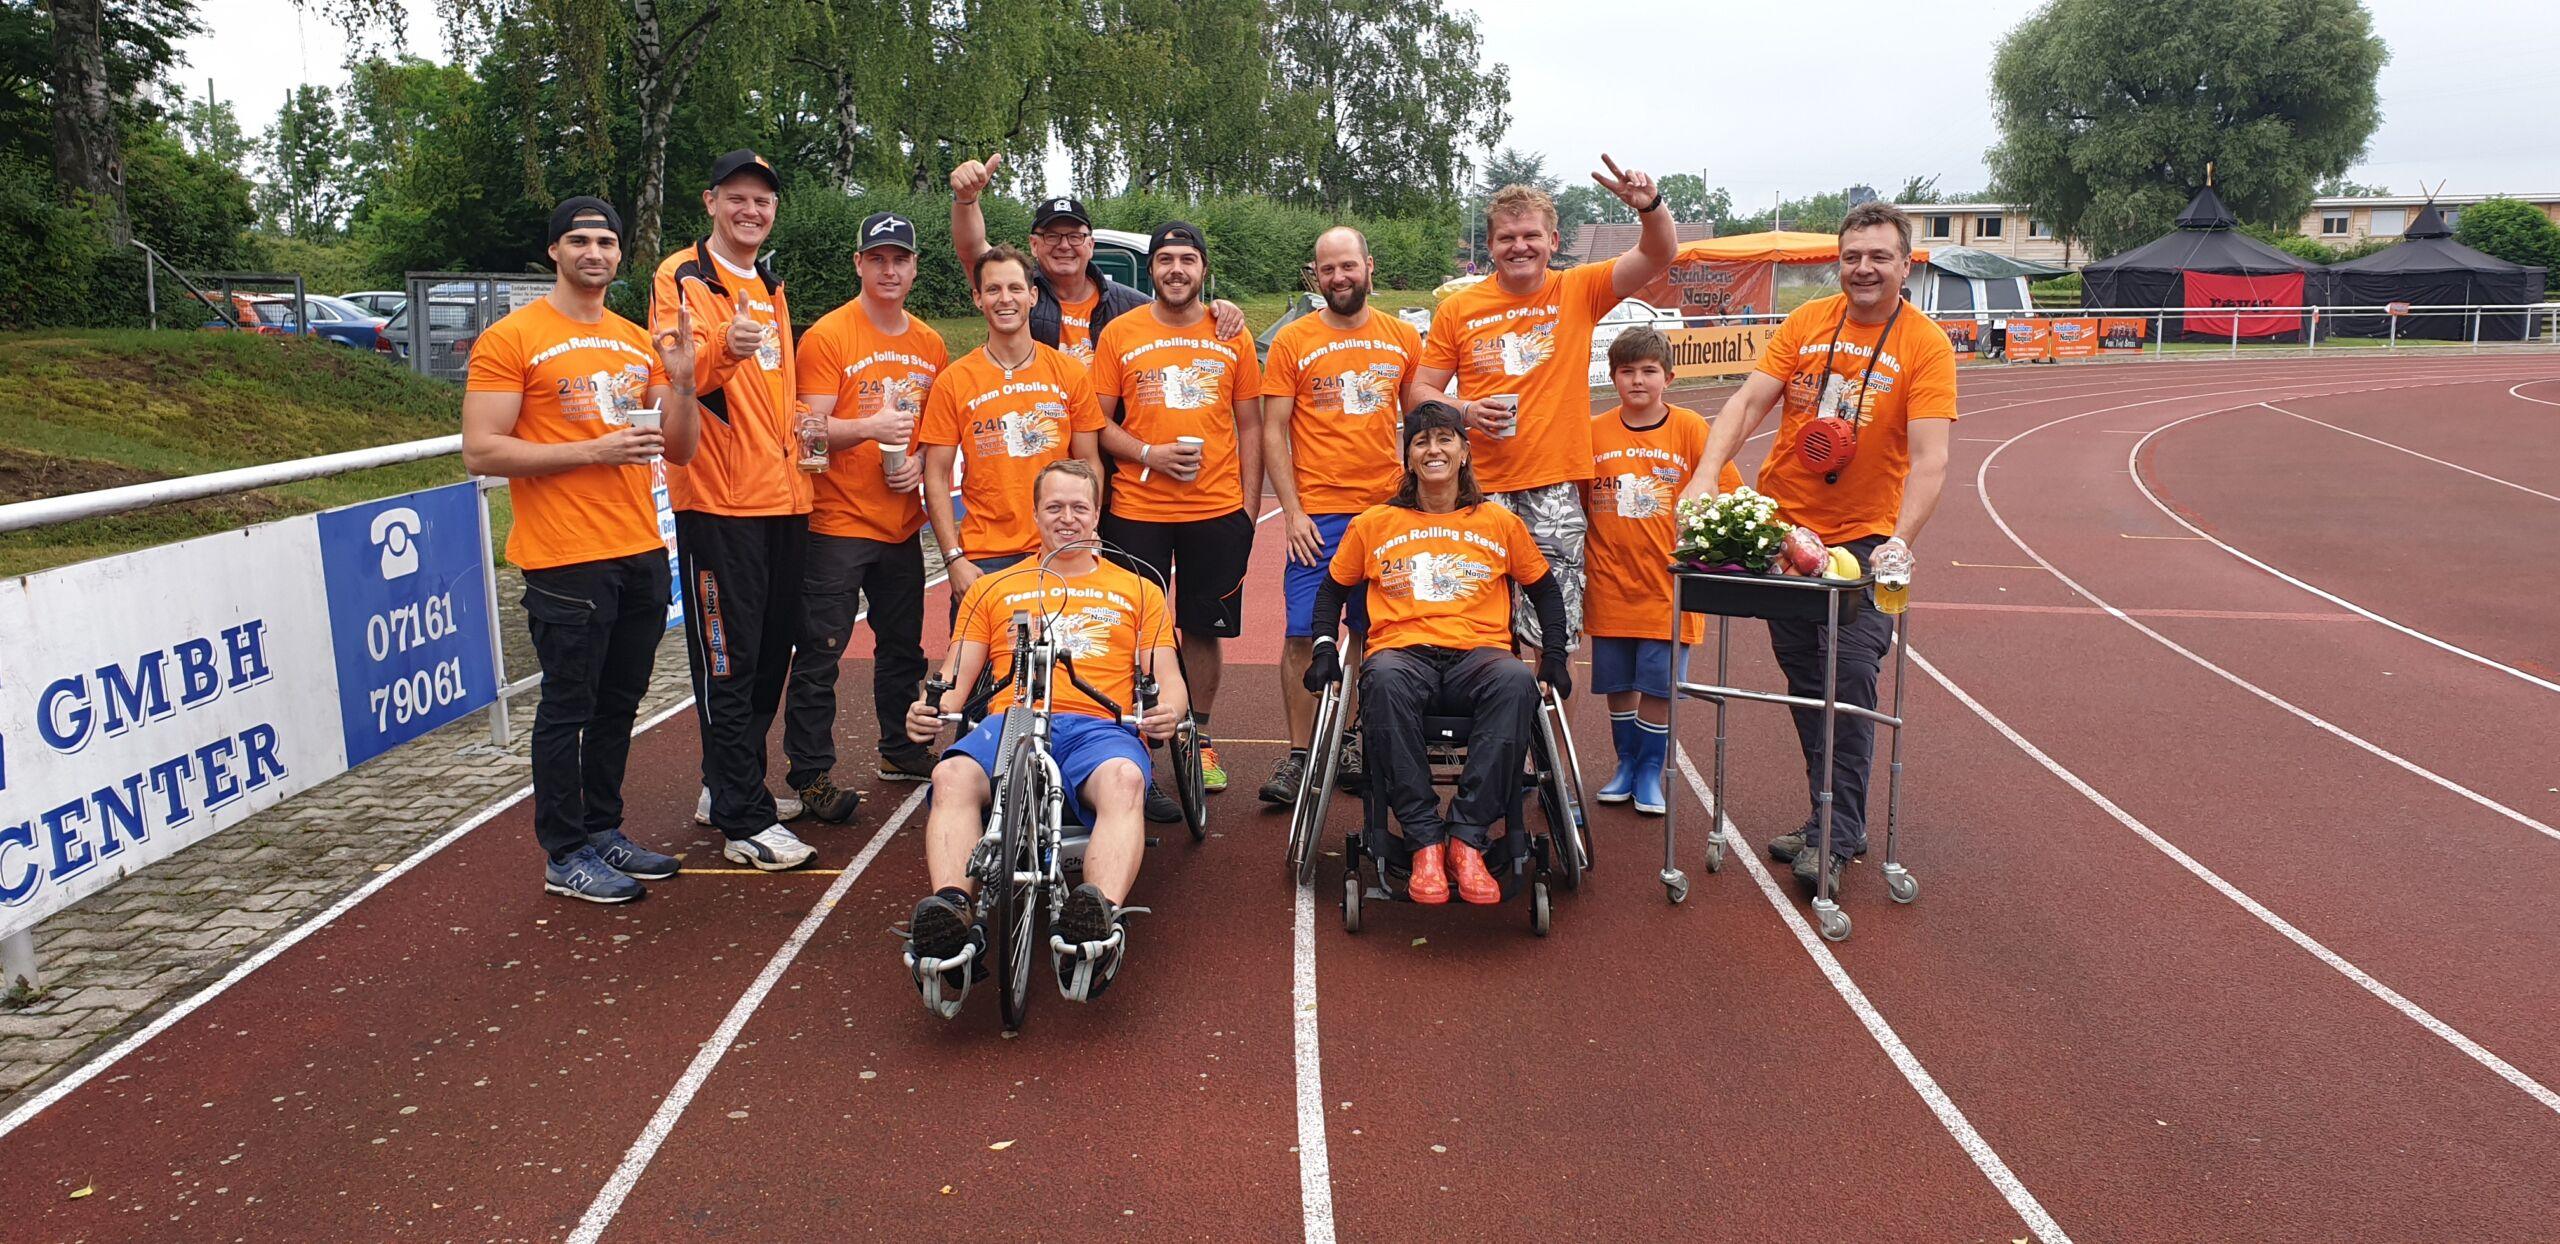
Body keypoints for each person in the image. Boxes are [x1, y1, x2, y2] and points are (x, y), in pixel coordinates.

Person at [1681, 201, 1955, 895]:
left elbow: (1930, 460)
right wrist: (1706, 475)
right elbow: (1747, 404)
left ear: (1905, 263)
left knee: (1850, 678)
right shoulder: (1806, 324)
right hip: (1787, 532)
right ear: (1839, 261)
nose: (1863, 268)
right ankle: (1828, 816)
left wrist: (1898, 543)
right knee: (1806, 681)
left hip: (1863, 541)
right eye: (1852, 255)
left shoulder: (1924, 345)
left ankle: (1836, 834)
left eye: (1879, 256)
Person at [462, 196, 701, 903]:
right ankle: (563, 850)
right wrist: (594, 448)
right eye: (579, 241)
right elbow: (481, 449)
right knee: (568, 704)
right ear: (554, 253)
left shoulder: (635, 340)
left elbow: (680, 446)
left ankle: (603, 828)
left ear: (621, 253)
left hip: (639, 547)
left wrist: (684, 382)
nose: (594, 252)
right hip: (564, 555)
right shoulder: (513, 338)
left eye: (605, 241)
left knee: (620, 702)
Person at [902, 460, 1187, 1000]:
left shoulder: (1139, 590)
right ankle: (953, 911)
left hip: (1098, 726)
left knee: (1126, 781)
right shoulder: (993, 589)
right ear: (1035, 514)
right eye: (1054, 507)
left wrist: (1168, 712)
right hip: (1012, 720)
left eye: (1080, 507)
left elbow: (1167, 679)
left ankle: (1095, 915)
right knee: (953, 776)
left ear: (1098, 515)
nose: (1067, 519)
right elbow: (952, 678)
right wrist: (927, 708)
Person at [1404, 156, 1679, 655]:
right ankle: (1497, 733)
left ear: (1553, 242)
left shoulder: (1579, 289)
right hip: (1477, 488)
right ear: (1489, 247)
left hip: (1554, 487)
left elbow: (1659, 254)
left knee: (1555, 641)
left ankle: (1546, 734)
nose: (1519, 246)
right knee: (1477, 629)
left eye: (1531, 235)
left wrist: (1650, 207)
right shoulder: (1460, 308)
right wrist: (1464, 410)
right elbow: (1420, 390)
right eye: (1506, 238)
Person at [1304, 402, 1572, 906]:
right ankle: (1426, 840)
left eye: (1445, 439)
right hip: (1402, 654)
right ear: (1408, 458)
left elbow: (1546, 591)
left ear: (1465, 452)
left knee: (1516, 681)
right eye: (1422, 442)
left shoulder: (1498, 522)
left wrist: (1553, 655)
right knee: (1379, 679)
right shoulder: (1375, 523)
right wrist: (1323, 648)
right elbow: (1330, 592)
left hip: (1479, 656)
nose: (1434, 450)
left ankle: (1467, 841)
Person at [652, 149, 821, 871]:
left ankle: (730, 783)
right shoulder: (681, 275)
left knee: (771, 654)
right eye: (739, 199)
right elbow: (677, 370)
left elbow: (772, 395)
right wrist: (727, 343)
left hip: (785, 499)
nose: (753, 211)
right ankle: (743, 821)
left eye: (764, 201)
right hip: (720, 504)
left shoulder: (773, 285)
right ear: (711, 202)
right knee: (730, 657)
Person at [1090, 221, 1262, 804]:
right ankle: (1133, 743)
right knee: (1135, 627)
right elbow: (1097, 423)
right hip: (1137, 506)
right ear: (1152, 269)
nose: (1176, 270)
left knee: (1202, 629)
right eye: (1165, 259)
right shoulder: (1121, 333)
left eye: (1187, 259)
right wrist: (1149, 454)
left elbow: (1251, 424)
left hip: (1216, 510)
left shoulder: (1230, 331)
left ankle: (1199, 736)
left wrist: (1248, 505)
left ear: (1203, 269)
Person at [782, 211, 947, 817]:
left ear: (913, 268)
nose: (889, 269)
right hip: (836, 523)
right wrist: (868, 428)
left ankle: (899, 746)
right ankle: (811, 774)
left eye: (899, 259)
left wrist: (919, 458)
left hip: (900, 524)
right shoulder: (828, 336)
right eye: (877, 258)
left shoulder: (929, 343)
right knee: (822, 650)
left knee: (902, 647)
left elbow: (934, 429)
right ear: (859, 263)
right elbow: (805, 435)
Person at [1257, 225, 1421, 805]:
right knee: (1303, 633)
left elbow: (1423, 424)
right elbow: (1273, 430)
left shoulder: (1403, 337)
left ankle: (1353, 741)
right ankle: (1300, 757)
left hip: (1386, 515)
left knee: (1377, 636)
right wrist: (1292, 511)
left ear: (1369, 267)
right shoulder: (1293, 341)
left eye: (1347, 266)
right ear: (1315, 274)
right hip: (1317, 516)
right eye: (1327, 269)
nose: (1338, 278)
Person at [1581, 327, 1740, 816]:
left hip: (1666, 586)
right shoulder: (1594, 430)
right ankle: (1626, 763)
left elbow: (1725, 493)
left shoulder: (1691, 428)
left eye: (1648, 371)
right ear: (1612, 377)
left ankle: (1651, 770)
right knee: (1616, 683)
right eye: (1627, 371)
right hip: (1610, 582)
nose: (1637, 380)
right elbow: (1580, 503)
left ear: (1668, 377)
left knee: (1659, 684)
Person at [918, 244, 1109, 606]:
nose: (1005, 299)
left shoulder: (1068, 372)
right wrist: (953, 558)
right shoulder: (954, 380)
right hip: (986, 558)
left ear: (1033, 296)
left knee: (1068, 661)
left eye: (1015, 288)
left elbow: (1089, 463)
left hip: (1060, 547)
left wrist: (1090, 530)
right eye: (993, 289)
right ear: (977, 298)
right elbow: (936, 475)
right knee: (976, 663)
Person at [946, 155, 1244, 363]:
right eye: (1052, 236)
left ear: (1091, 244)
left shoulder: (1129, 305)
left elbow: (1178, 314)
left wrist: (1218, 310)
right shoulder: (1018, 294)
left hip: (1106, 443)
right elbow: (973, 252)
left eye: (1075, 236)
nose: (1064, 246)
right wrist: (966, 200)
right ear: (1034, 245)